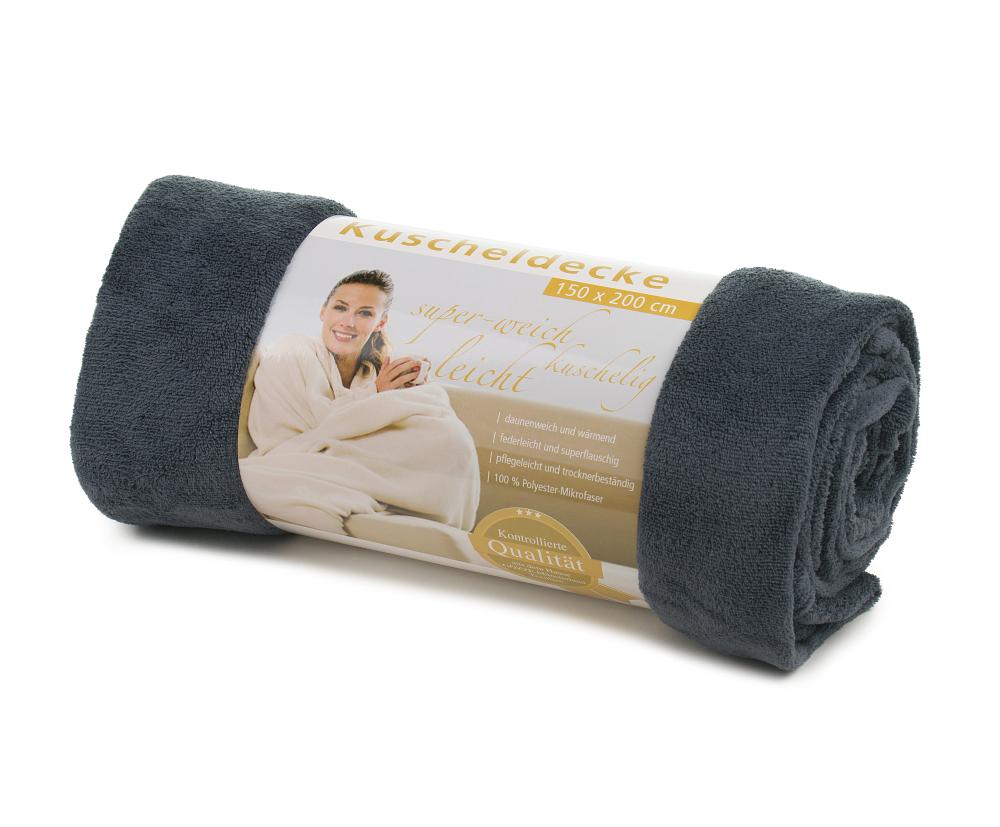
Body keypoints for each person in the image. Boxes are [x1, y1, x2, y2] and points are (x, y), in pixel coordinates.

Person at [239, 269, 481, 535]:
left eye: (365, 313)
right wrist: (377, 394)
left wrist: (405, 393)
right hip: (294, 452)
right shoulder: (293, 349)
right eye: (340, 308)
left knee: (445, 435)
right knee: (445, 440)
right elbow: (318, 429)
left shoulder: (370, 371)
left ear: (380, 323)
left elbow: (366, 427)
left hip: (346, 453)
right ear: (323, 311)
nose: (348, 322)